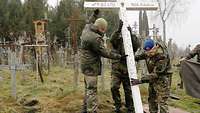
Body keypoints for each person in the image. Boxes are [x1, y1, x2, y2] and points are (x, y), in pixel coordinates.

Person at [80, 9, 124, 113]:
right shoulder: (95, 39)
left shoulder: (87, 29)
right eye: (103, 30)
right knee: (92, 92)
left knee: (88, 90)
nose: (104, 32)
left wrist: (94, 15)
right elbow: (105, 52)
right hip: (91, 68)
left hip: (85, 66)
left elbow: (90, 21)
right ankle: (92, 111)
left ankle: (85, 109)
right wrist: (119, 56)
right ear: (100, 28)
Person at [131, 39, 172, 113]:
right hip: (152, 79)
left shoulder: (162, 56)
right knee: (152, 99)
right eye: (146, 51)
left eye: (149, 52)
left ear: (154, 48)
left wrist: (140, 80)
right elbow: (143, 55)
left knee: (162, 101)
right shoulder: (149, 51)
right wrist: (133, 58)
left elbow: (156, 74)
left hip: (162, 79)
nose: (147, 53)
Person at [110, 20, 140, 113]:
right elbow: (112, 40)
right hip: (117, 69)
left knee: (128, 90)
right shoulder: (118, 38)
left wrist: (131, 34)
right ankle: (117, 105)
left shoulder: (131, 38)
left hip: (128, 69)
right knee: (114, 87)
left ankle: (130, 107)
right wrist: (118, 30)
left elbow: (136, 46)